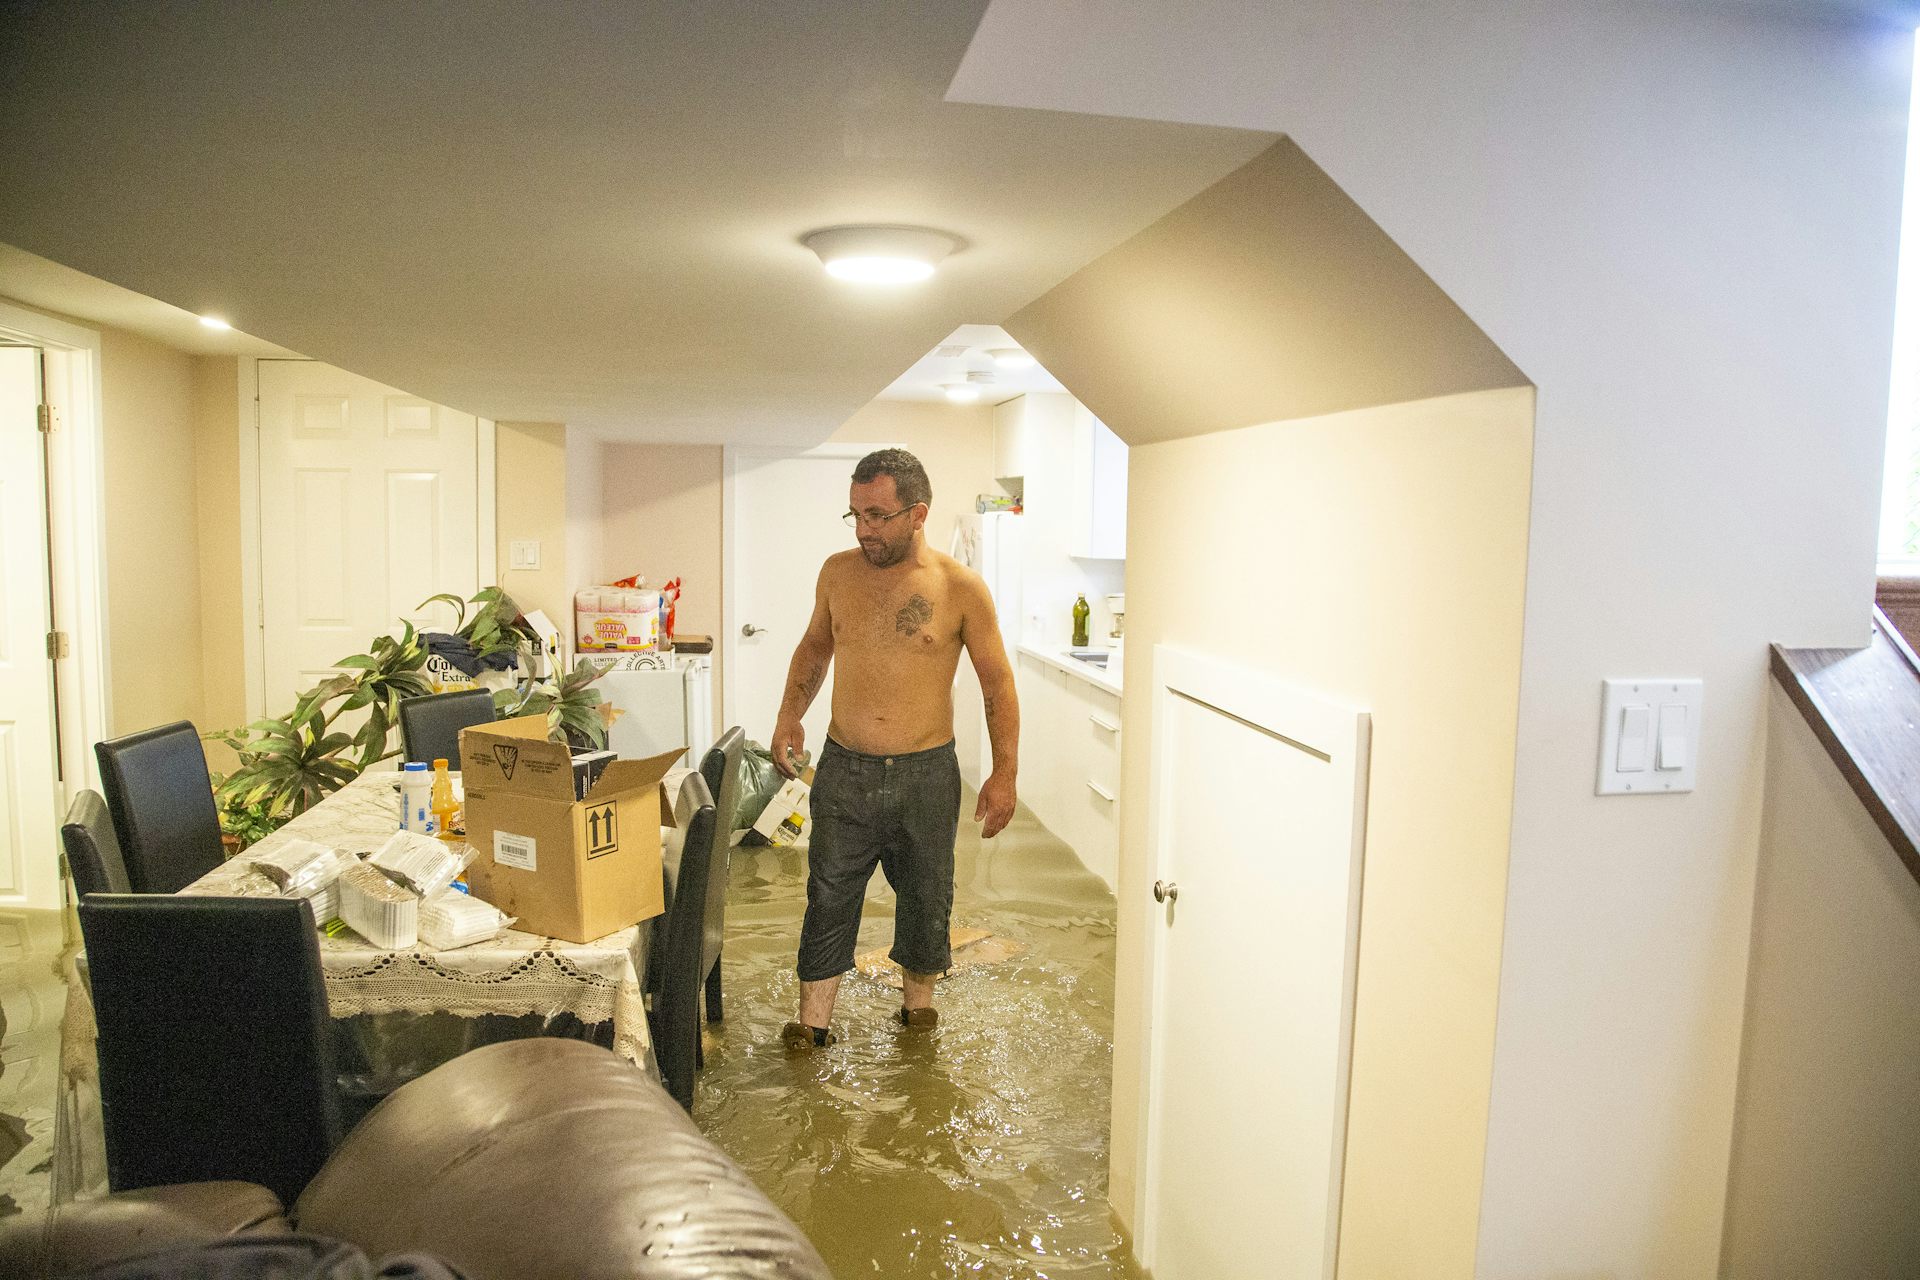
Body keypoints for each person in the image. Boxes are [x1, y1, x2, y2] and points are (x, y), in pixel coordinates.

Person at [771, 447, 1019, 1048]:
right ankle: (813, 1030)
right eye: (856, 514)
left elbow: (997, 682)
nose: (864, 529)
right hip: (844, 768)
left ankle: (917, 1023)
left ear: (918, 513)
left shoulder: (961, 589)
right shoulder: (837, 572)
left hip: (927, 774)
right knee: (828, 895)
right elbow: (813, 648)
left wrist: (1005, 773)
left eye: (878, 515)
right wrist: (788, 717)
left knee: (927, 898)